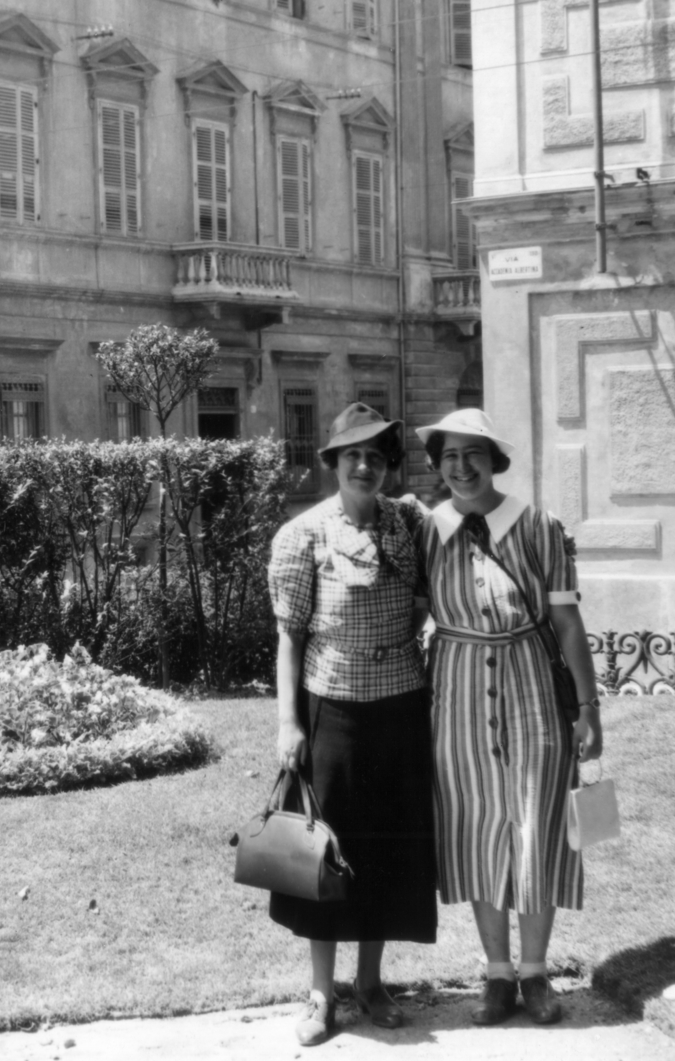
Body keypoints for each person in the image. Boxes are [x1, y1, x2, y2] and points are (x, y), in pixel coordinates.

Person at [414, 408, 604, 1028]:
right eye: (449, 457)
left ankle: (535, 972)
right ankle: (496, 976)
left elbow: (568, 622)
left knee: (537, 825)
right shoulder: (429, 528)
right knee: (477, 827)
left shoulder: (537, 525)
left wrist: (588, 706)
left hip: (529, 685)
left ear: (494, 459)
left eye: (473, 455)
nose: (461, 468)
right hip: (458, 689)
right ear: (438, 467)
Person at [267, 403, 437, 1047]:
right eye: (353, 456)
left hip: (399, 709)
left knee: (388, 850)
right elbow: (289, 637)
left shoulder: (406, 525)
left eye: (377, 457)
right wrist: (289, 723)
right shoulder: (303, 535)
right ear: (334, 463)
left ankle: (370, 983)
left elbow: (437, 580)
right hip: (331, 710)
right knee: (327, 854)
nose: (365, 466)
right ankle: (320, 996)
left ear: (389, 467)